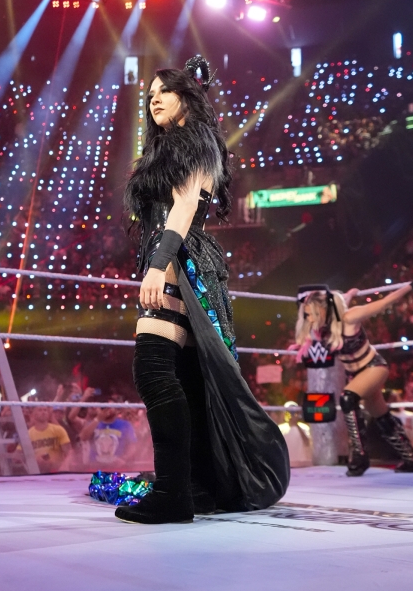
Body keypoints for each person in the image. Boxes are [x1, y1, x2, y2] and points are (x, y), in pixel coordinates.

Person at [117, 55, 290, 525]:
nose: (153, 100)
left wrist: (157, 265)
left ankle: (173, 492)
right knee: (190, 380)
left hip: (180, 259)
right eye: (149, 95)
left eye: (163, 91)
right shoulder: (175, 145)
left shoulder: (195, 139)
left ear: (186, 96)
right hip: (180, 257)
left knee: (154, 369)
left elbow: (185, 206)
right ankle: (196, 488)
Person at [295, 278, 413, 476]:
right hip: (356, 375)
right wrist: (350, 293)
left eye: (311, 314)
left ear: (322, 310)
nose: (309, 320)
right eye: (306, 315)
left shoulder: (350, 317)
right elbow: (340, 302)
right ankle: (411, 459)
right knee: (381, 416)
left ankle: (360, 456)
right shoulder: (323, 328)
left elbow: (385, 302)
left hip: (373, 367)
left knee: (347, 398)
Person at [27, 405, 70, 473]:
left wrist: (65, 467)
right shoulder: (28, 434)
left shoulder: (59, 430)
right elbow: (19, 455)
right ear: (34, 414)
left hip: (57, 471)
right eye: (40, 410)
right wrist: (35, 460)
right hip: (36, 472)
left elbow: (69, 452)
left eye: (45, 410)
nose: (43, 412)